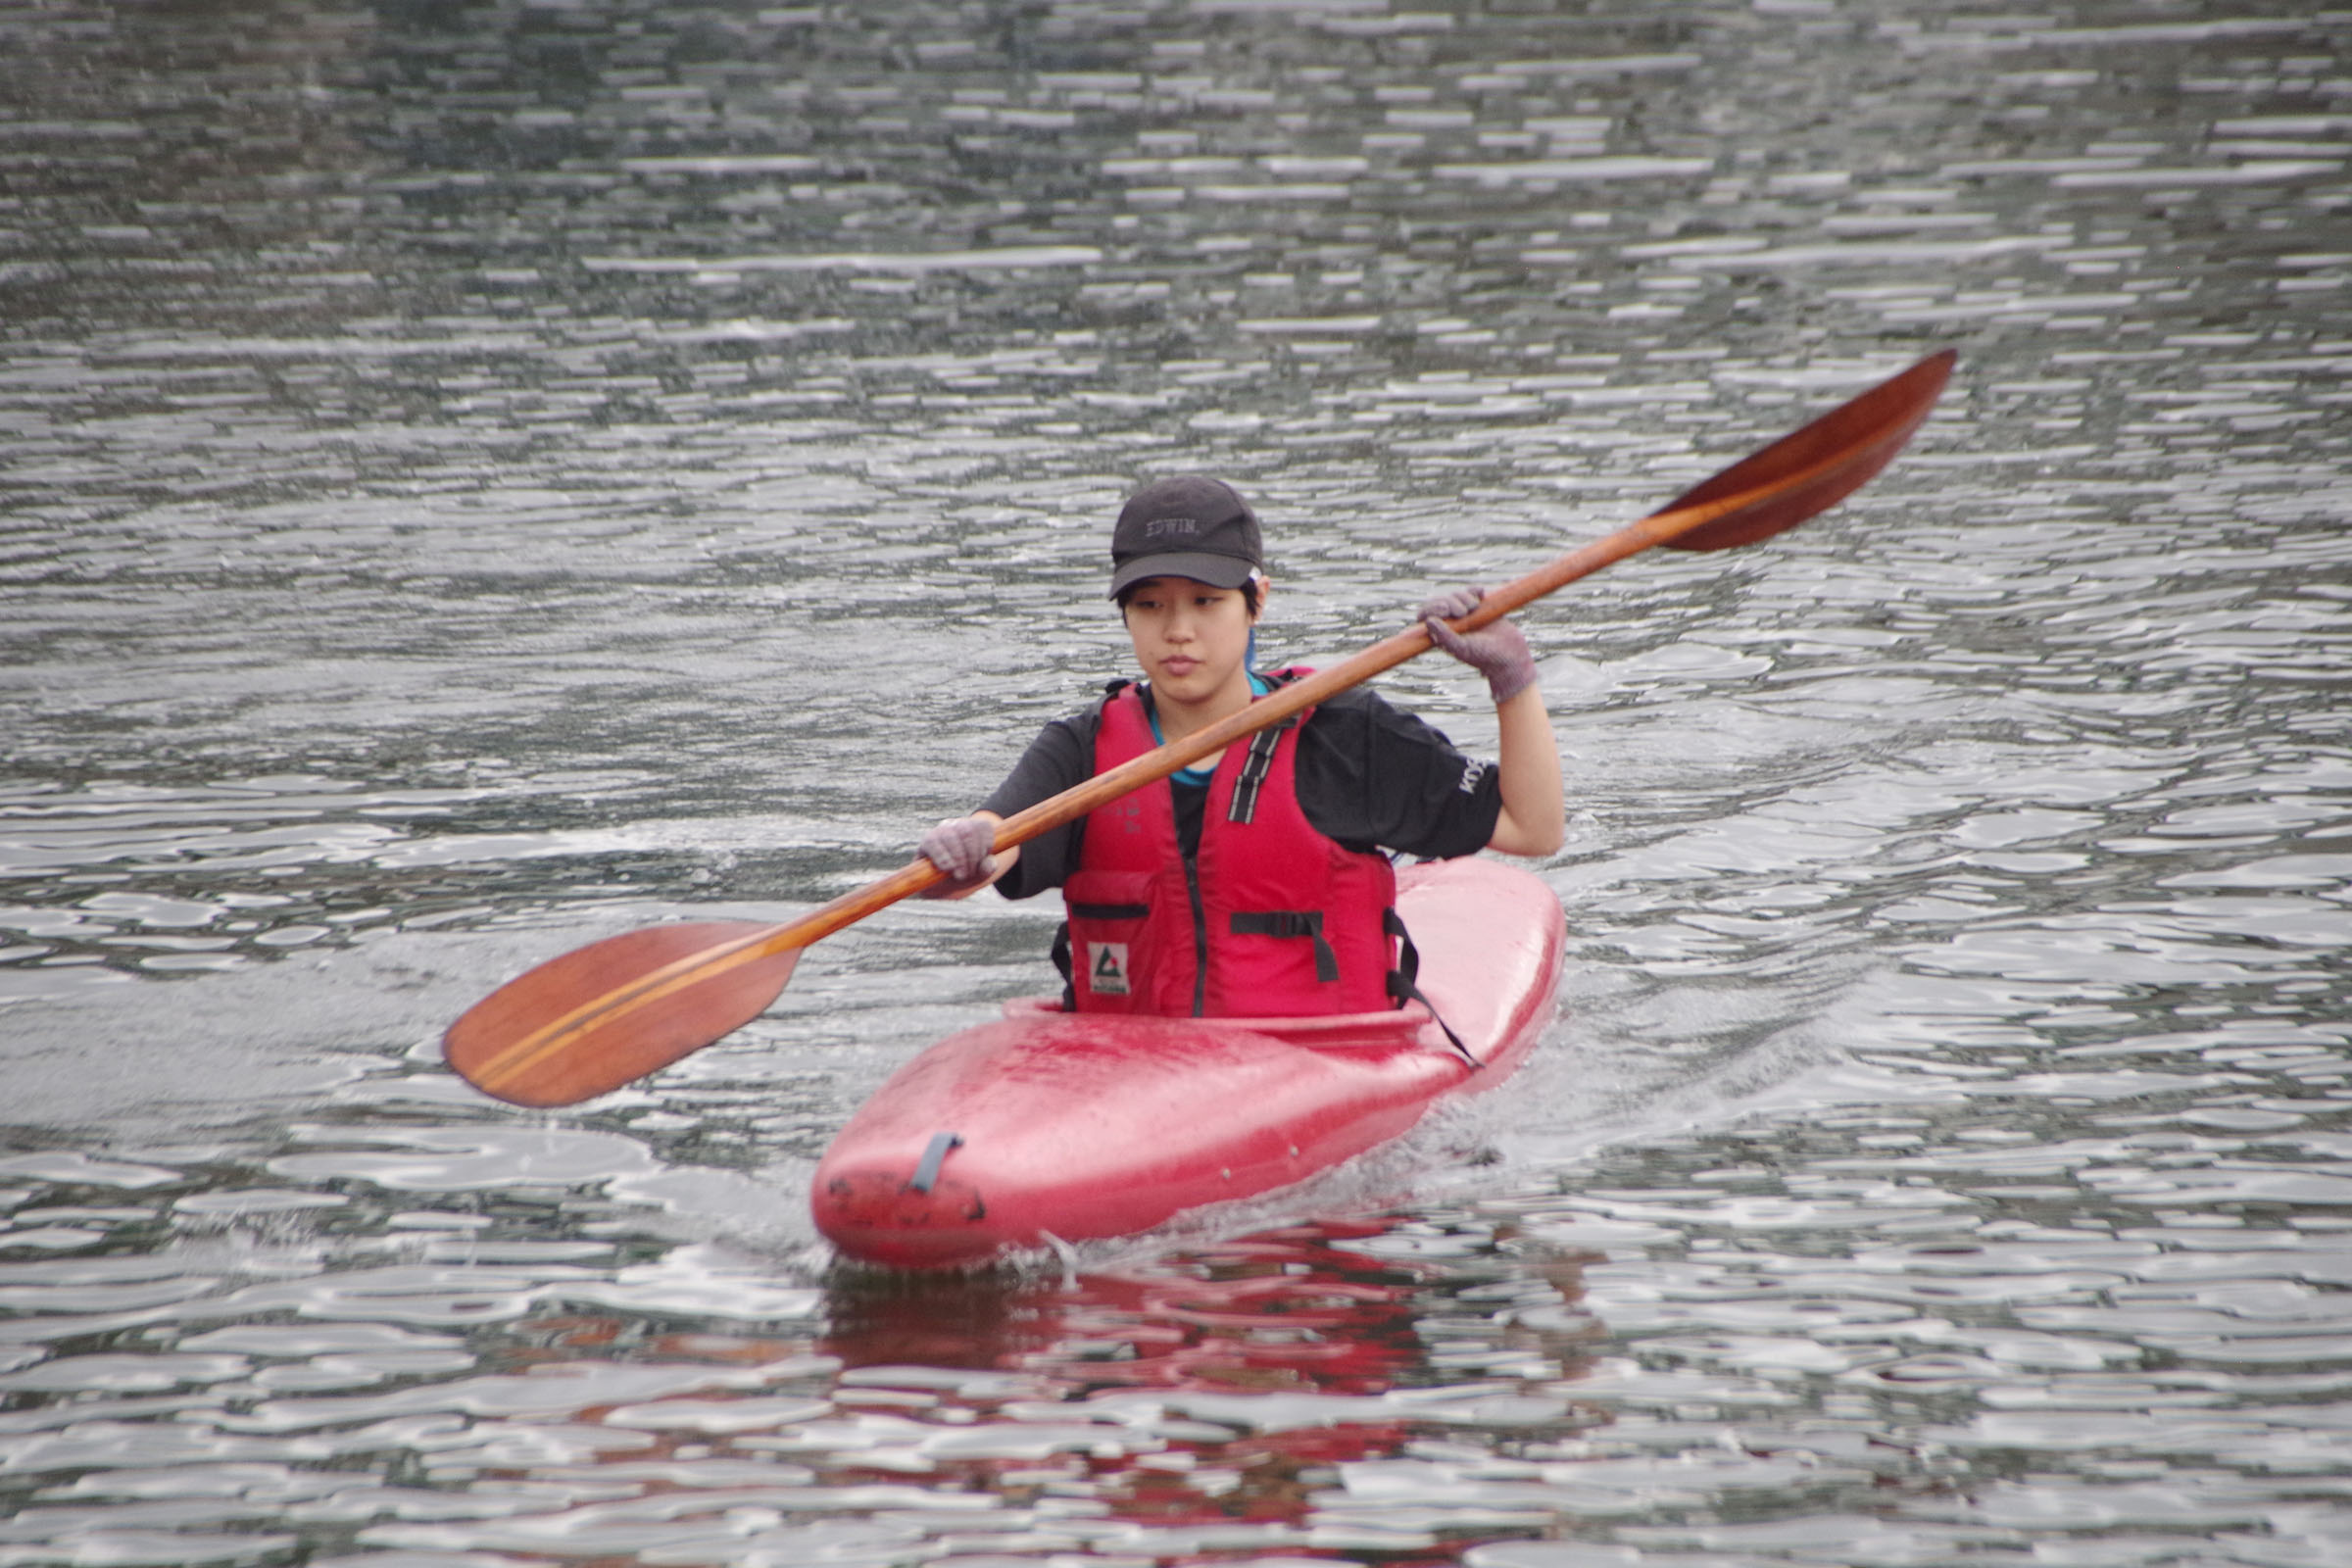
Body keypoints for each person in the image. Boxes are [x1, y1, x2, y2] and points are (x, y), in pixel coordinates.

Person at [916, 474, 1564, 1020]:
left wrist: (1509, 679)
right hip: (1131, 1067)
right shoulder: (1083, 748)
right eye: (1149, 605)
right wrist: (965, 849)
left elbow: (1533, 828)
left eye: (1206, 602)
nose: (1177, 631)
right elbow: (992, 848)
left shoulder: (1341, 733)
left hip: (1316, 1058)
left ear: (1257, 603)